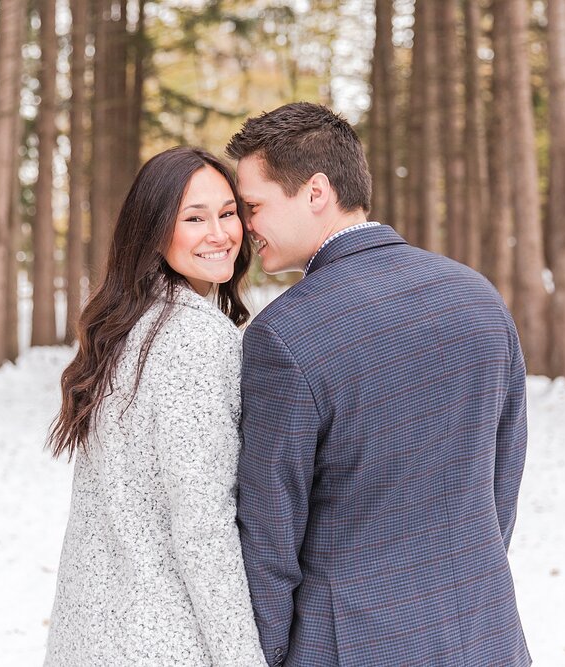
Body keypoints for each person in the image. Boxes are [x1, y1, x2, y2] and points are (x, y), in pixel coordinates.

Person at [227, 102, 531, 666]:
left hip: (350, 646)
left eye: (253, 205)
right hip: (482, 632)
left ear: (316, 191)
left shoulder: (284, 335)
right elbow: (500, 482)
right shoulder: (479, 297)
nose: (246, 227)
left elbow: (269, 542)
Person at [43, 147, 267, 667]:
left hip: (94, 633)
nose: (219, 233)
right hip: (161, 639)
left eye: (228, 212)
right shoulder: (194, 337)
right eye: (194, 218)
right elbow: (204, 525)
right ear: (154, 228)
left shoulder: (126, 326)